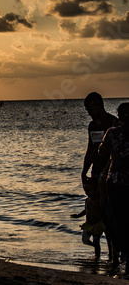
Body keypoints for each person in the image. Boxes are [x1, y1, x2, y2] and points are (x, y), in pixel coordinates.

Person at [80, 92, 118, 262]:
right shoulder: (92, 125)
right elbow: (90, 149)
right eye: (87, 109)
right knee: (99, 211)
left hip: (110, 172)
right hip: (96, 172)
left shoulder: (112, 123)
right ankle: (99, 252)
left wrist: (105, 173)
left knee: (110, 212)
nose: (89, 112)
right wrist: (84, 170)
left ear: (99, 105)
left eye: (91, 108)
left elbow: (115, 152)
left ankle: (114, 251)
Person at [99, 102, 129, 273]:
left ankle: (118, 255)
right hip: (120, 183)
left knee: (117, 220)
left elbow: (102, 152)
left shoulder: (113, 132)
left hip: (116, 182)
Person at [71, 177, 105, 257]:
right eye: (85, 191)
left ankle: (97, 256)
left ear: (96, 189)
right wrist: (78, 215)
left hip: (97, 225)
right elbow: (86, 210)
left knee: (96, 241)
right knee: (85, 240)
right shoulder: (87, 200)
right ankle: (95, 247)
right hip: (88, 224)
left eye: (89, 191)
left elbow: (103, 212)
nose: (87, 193)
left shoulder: (99, 201)